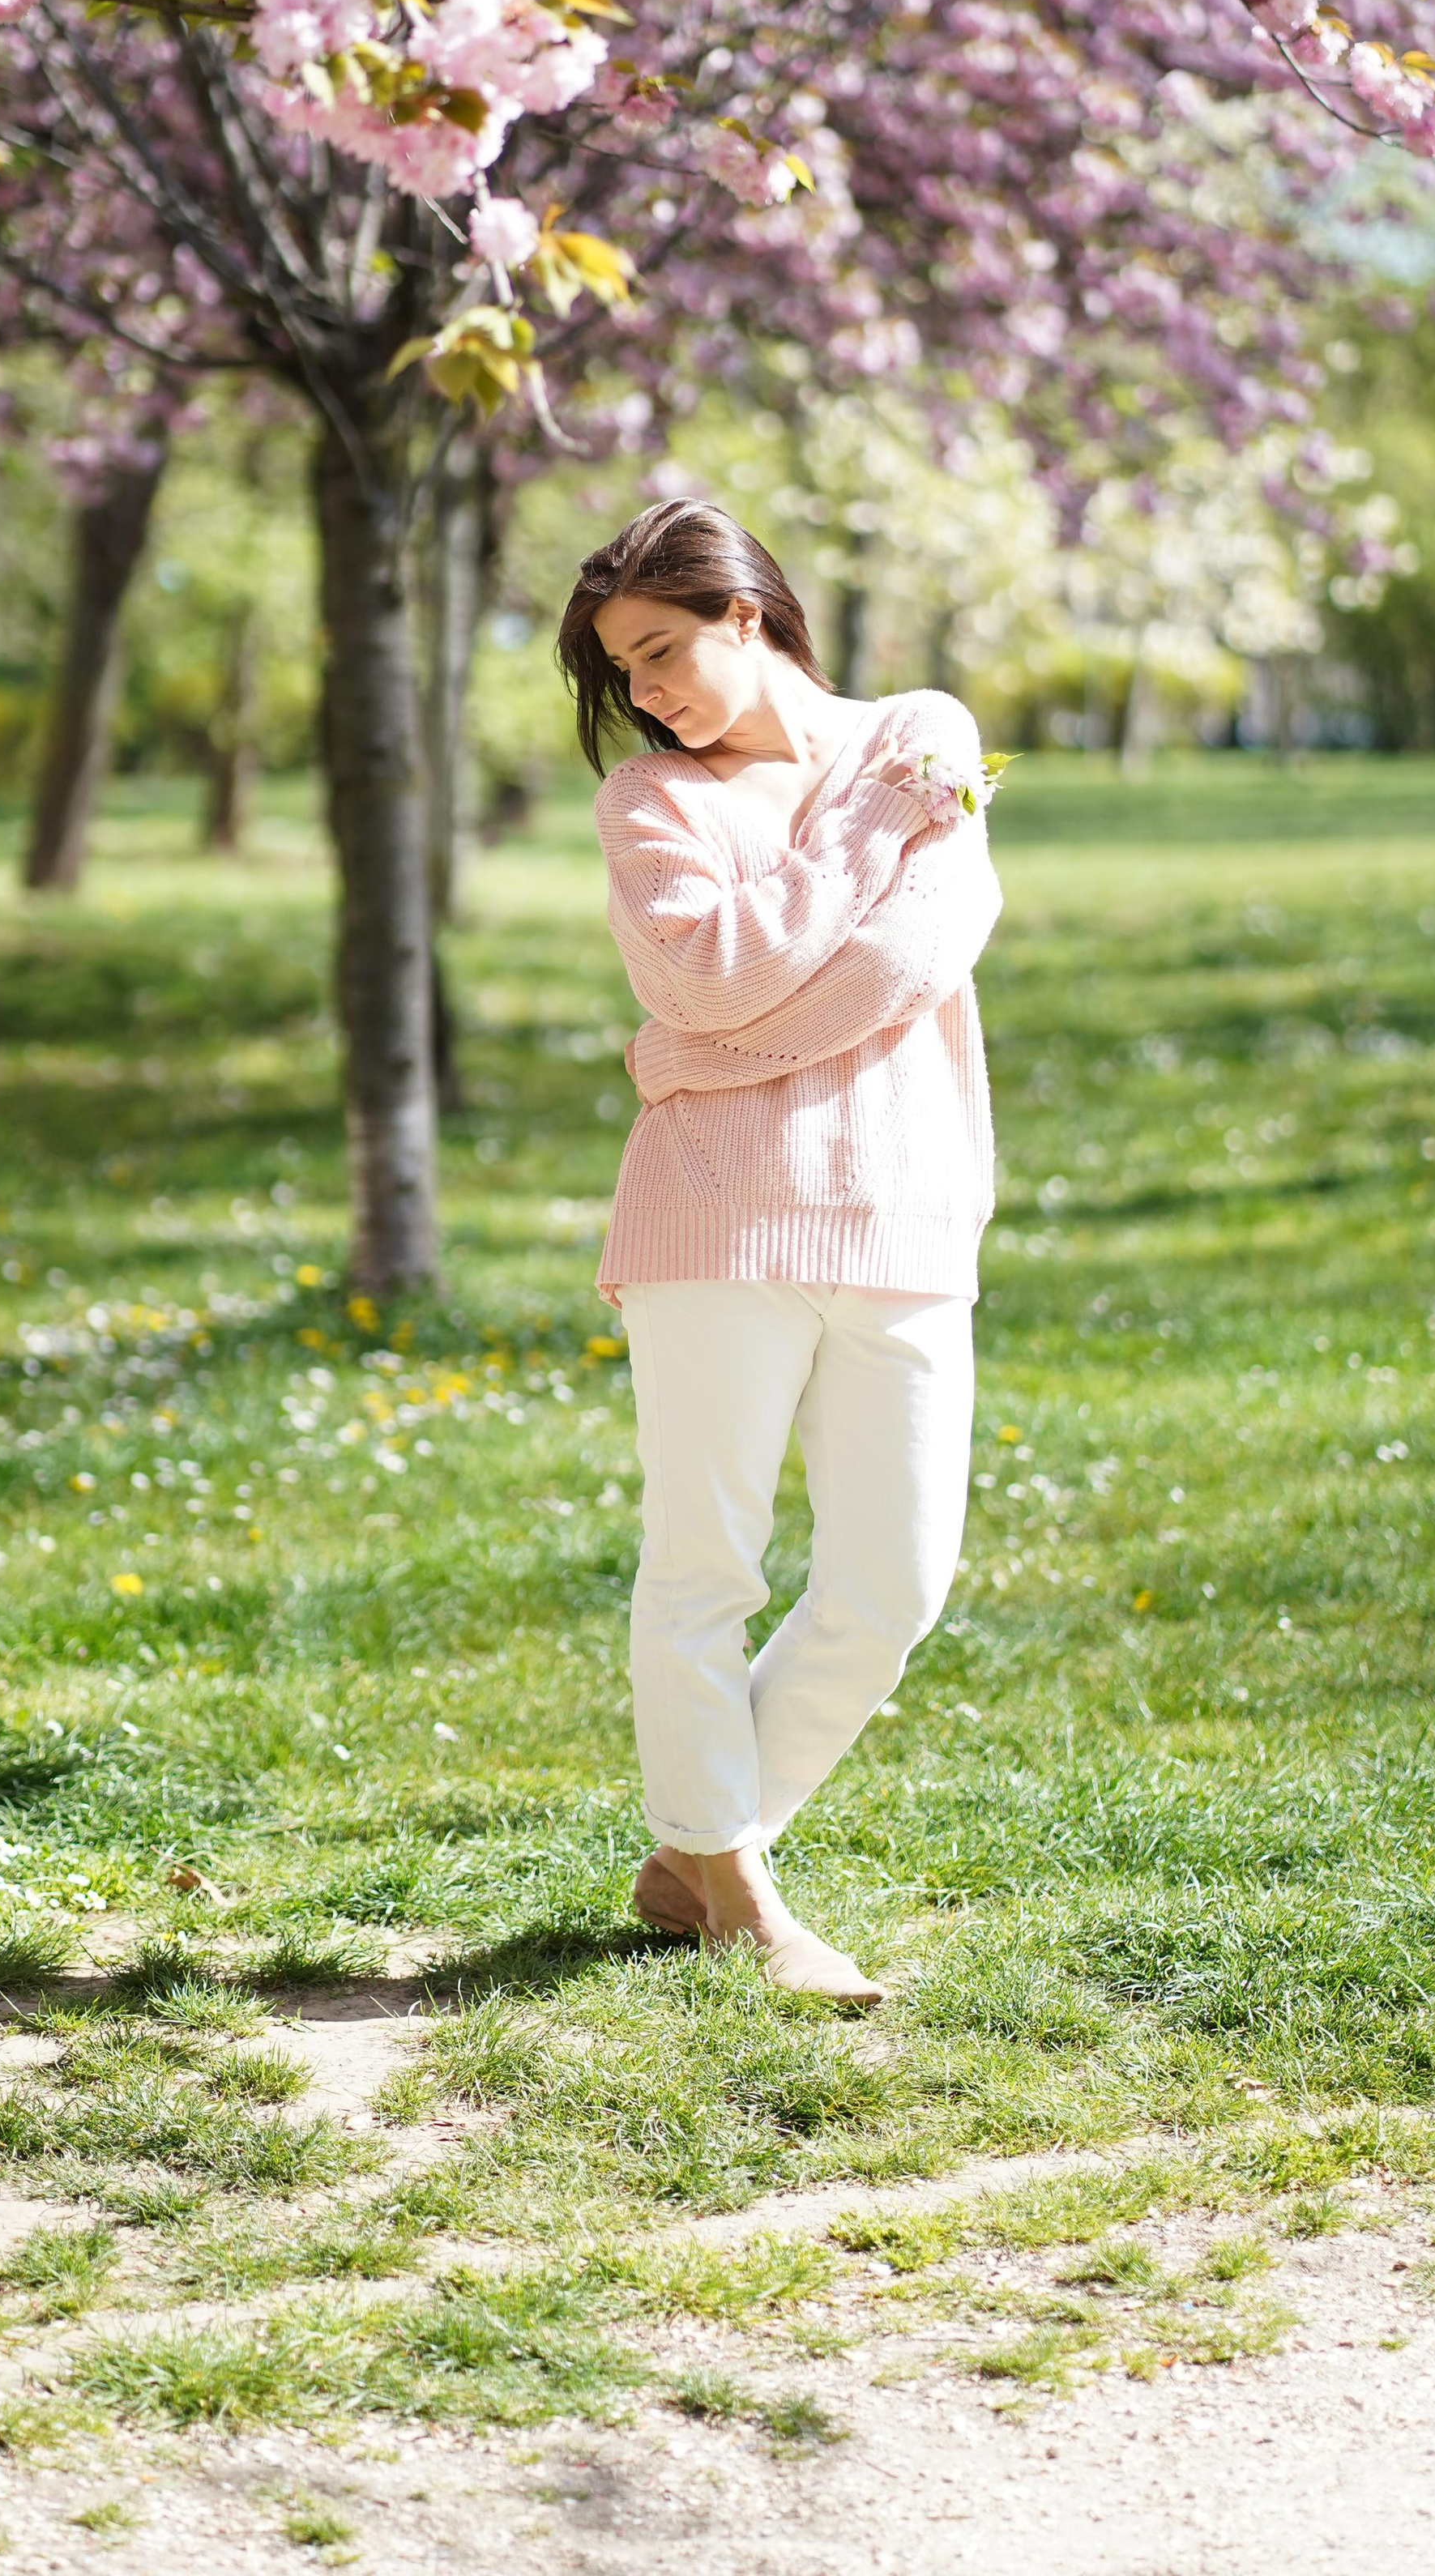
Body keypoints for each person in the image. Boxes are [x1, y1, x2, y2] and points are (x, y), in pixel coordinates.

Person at [556, 498, 1002, 2007]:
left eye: (662, 651)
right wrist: (716, 1019)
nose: (647, 692)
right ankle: (736, 1890)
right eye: (624, 670)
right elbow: (703, 977)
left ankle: (692, 1853)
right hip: (714, 1219)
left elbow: (916, 956)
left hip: (910, 1206)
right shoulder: (650, 804)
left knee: (894, 1585)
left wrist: (701, 1058)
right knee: (706, 1566)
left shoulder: (919, 739)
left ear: (744, 615)